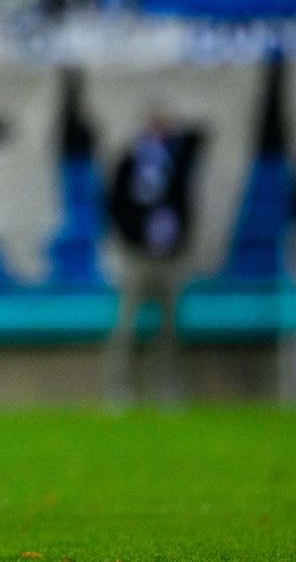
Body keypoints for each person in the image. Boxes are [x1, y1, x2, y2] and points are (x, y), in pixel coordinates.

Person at [104, 106, 204, 406]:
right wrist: (131, 237)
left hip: (169, 255)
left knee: (171, 328)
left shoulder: (175, 162)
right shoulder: (132, 160)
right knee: (126, 325)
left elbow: (198, 142)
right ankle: (120, 389)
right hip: (138, 254)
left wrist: (180, 240)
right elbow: (115, 202)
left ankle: (169, 389)